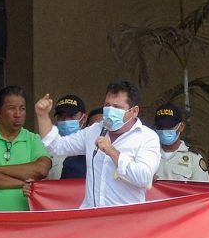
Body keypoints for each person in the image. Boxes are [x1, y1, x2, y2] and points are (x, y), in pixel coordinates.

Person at [35, 80, 160, 208]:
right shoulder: (94, 130)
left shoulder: (147, 137)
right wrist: (43, 116)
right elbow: (57, 146)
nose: (110, 111)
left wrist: (112, 152)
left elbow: (143, 178)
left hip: (126, 220)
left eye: (117, 107)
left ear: (134, 111)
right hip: (92, 217)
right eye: (107, 105)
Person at [0, 86, 51, 211]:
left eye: (22, 109)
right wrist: (23, 183)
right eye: (11, 108)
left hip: (24, 222)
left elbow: (42, 169)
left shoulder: (33, 139)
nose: (18, 114)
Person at [154, 103, 209, 181]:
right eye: (160, 127)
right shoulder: (147, 154)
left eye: (169, 127)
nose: (164, 131)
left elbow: (202, 190)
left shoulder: (194, 158)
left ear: (181, 127)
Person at [46, 94, 87, 180]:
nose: (66, 121)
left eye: (72, 116)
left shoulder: (91, 144)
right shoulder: (48, 146)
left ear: (84, 118)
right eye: (61, 116)